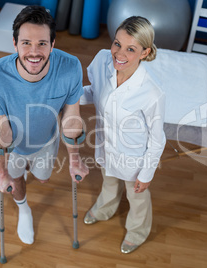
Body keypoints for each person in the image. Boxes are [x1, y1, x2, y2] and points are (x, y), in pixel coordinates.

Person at [0, 5, 89, 245]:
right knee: (16, 179)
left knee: (43, 178)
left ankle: (32, 173)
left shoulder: (70, 68)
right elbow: (2, 130)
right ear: (14, 43)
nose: (34, 52)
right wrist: (0, 171)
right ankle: (24, 209)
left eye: (42, 43)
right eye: (26, 42)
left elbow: (71, 119)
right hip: (14, 146)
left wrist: (75, 159)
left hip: (47, 140)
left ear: (53, 44)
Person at [80, 16, 166, 254]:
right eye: (117, 44)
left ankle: (137, 230)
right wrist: (69, 98)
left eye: (131, 49)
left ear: (144, 52)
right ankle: (105, 207)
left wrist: (146, 173)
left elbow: (158, 139)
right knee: (108, 179)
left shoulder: (151, 92)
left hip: (134, 156)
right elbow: (94, 92)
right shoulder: (101, 61)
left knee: (137, 195)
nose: (119, 53)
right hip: (106, 144)